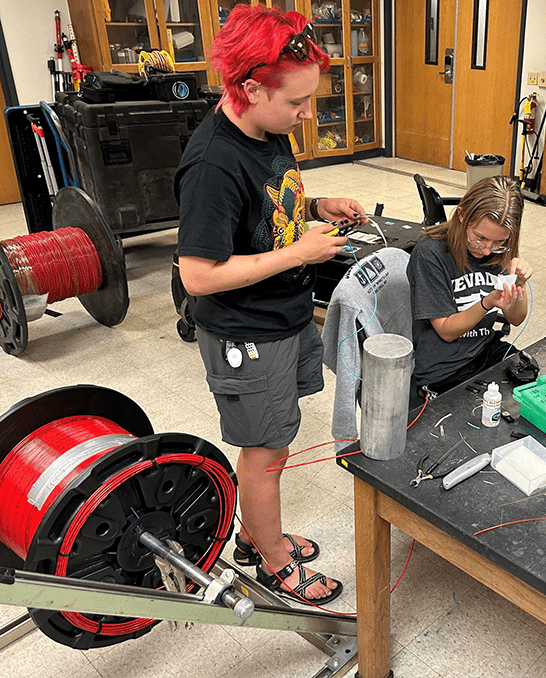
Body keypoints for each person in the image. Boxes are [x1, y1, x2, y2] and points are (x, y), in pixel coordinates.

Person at [175, 5, 365, 605]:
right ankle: (273, 563)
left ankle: (258, 539)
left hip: (281, 316)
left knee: (276, 440)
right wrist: (298, 254)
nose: (306, 115)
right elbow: (198, 275)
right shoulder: (212, 163)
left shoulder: (265, 126)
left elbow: (264, 207)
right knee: (263, 453)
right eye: (297, 103)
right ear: (250, 87)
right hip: (244, 331)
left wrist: (316, 206)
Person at [407, 175, 532, 396]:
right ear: (463, 215)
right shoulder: (430, 253)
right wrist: (487, 303)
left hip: (484, 350)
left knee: (531, 383)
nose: (486, 250)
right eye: (480, 238)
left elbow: (516, 318)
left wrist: (518, 288)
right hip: (445, 368)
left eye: (499, 242)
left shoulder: (498, 252)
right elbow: (446, 331)